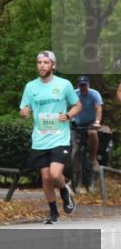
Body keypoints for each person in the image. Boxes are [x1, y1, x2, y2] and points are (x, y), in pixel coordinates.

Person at [19, 52, 82, 224]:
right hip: (40, 139)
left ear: (53, 65)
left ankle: (64, 190)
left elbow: (77, 105)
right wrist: (24, 113)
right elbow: (23, 110)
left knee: (55, 174)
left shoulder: (64, 85)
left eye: (46, 62)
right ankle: (53, 213)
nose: (42, 65)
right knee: (46, 178)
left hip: (59, 137)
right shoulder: (30, 87)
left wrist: (68, 115)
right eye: (39, 62)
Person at [73, 76, 103, 186]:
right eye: (81, 85)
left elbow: (98, 108)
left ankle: (93, 158)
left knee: (92, 133)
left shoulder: (94, 94)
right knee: (73, 146)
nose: (83, 88)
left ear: (88, 85)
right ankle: (73, 170)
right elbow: (67, 105)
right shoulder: (74, 94)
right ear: (78, 86)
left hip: (91, 122)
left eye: (84, 85)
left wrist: (97, 121)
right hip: (77, 122)